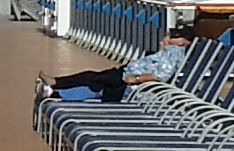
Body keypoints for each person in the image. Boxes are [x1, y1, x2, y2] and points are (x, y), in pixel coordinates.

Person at [40, 36, 185, 104]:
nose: (165, 39)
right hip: (127, 77)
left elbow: (162, 75)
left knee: (96, 83)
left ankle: (55, 89)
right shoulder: (171, 52)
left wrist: (136, 78)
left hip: (133, 85)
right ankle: (55, 90)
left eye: (172, 37)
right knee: (94, 80)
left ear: (182, 41)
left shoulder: (174, 53)